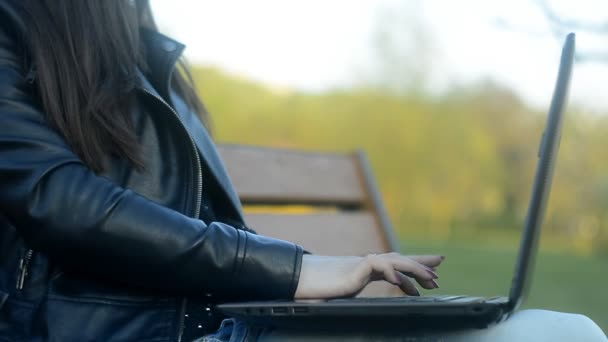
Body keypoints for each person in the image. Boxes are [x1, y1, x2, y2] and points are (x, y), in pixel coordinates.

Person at [0, 1, 604, 341]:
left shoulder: (145, 49)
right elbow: (59, 199)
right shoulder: (15, 26)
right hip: (118, 331)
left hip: (232, 324)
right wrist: (297, 270)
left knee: (561, 331)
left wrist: (298, 289)